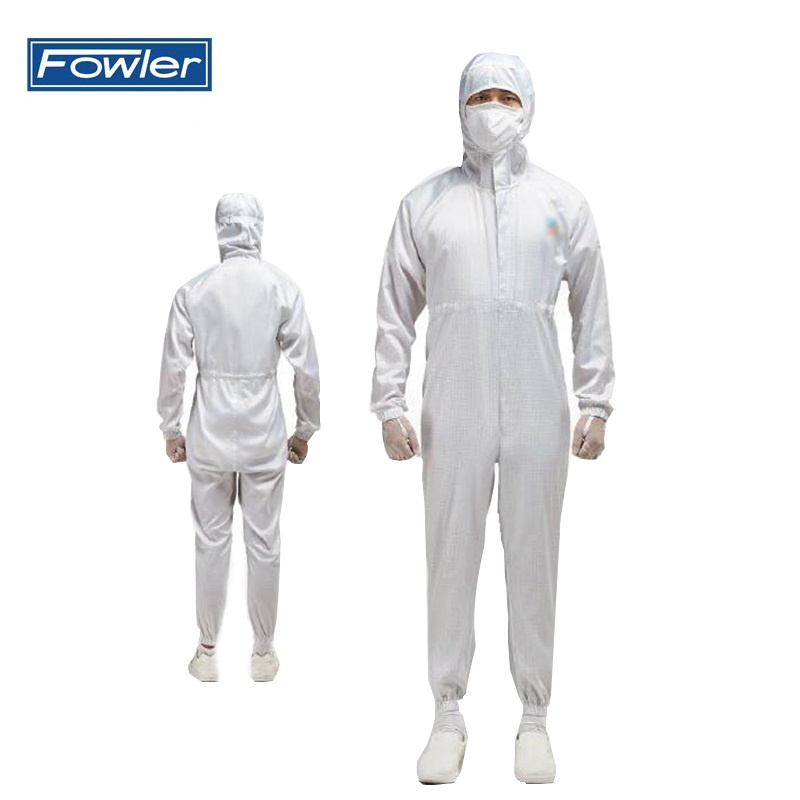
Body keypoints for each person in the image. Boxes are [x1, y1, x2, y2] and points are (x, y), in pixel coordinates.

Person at [371, 52, 614, 783]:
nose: (493, 108)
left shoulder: (561, 205)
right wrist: (388, 401)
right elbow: (394, 311)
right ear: (460, 106)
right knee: (450, 554)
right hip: (454, 400)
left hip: (539, 400)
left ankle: (534, 717)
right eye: (481, 96)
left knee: (534, 556)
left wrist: (597, 399)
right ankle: (447, 713)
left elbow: (591, 305)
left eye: (506, 96)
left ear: (528, 105)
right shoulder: (425, 205)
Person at [158, 192, 320, 682]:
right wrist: (305, 428)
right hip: (264, 433)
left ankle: (207, 650)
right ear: (258, 228)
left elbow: (173, 368)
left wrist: (170, 426)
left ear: (219, 229)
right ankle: (263, 652)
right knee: (264, 543)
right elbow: (306, 369)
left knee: (210, 541)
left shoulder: (193, 292)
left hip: (207, 431)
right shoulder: (282, 289)